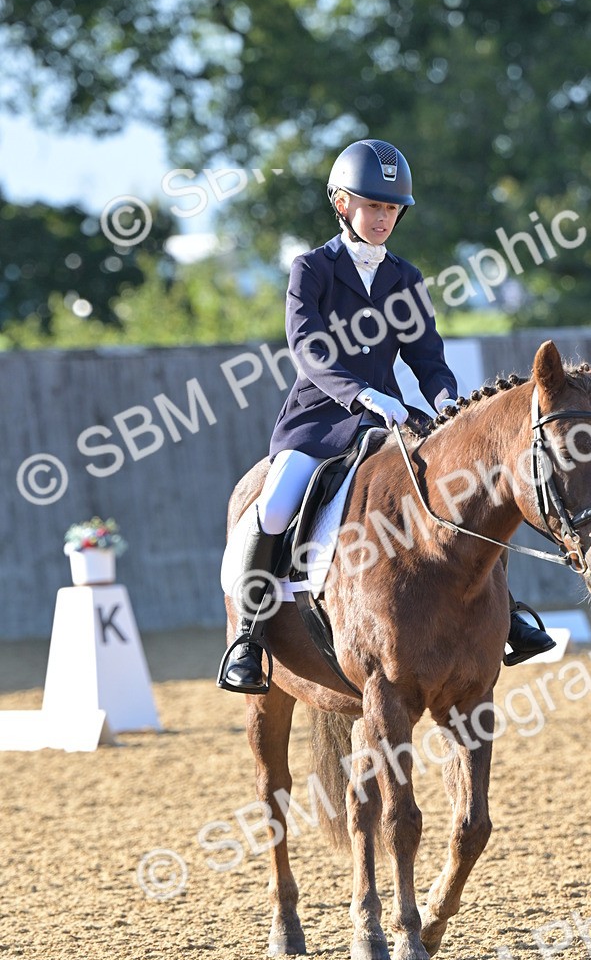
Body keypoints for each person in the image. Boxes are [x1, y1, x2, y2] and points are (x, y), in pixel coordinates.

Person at [218, 138, 554, 693]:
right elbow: (309, 350)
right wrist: (362, 394)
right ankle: (248, 637)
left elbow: (426, 354)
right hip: (320, 420)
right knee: (276, 505)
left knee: (467, 491)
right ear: (342, 204)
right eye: (373, 207)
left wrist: (446, 399)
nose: (383, 219)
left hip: (391, 421)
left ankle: (508, 612)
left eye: (392, 209)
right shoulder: (312, 270)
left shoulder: (405, 277)